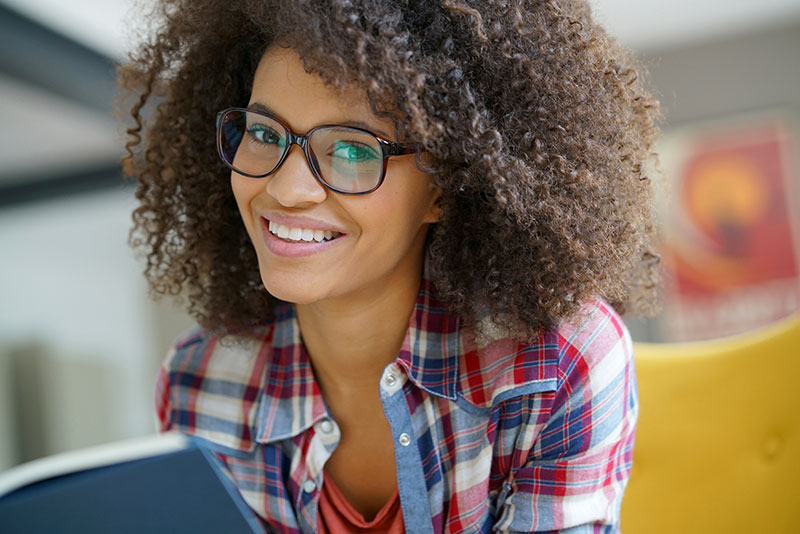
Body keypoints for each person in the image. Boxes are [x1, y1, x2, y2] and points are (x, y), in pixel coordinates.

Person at [120, 1, 660, 532]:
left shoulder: (556, 368)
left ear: (445, 188)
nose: (285, 189)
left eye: (353, 151)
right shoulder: (199, 383)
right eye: (264, 135)